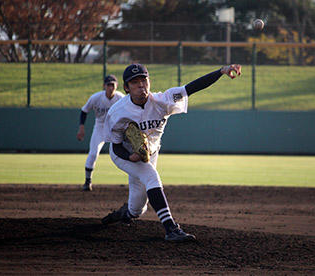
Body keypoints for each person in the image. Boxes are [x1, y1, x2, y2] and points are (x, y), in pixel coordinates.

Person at [101, 63, 241, 241]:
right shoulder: (117, 112)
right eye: (134, 82)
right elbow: (116, 146)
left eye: (143, 80)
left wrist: (221, 72)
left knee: (138, 207)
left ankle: (125, 213)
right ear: (127, 88)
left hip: (150, 153)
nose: (141, 85)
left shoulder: (162, 100)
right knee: (152, 177)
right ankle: (171, 229)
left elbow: (191, 87)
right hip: (124, 154)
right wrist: (131, 156)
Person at [77, 75, 125, 191]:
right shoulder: (96, 98)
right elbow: (84, 111)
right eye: (108, 85)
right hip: (100, 127)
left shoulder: (121, 97)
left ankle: (135, 181)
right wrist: (81, 127)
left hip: (116, 128)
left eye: (112, 85)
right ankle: (87, 181)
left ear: (116, 86)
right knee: (93, 153)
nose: (110, 87)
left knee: (127, 153)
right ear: (104, 86)